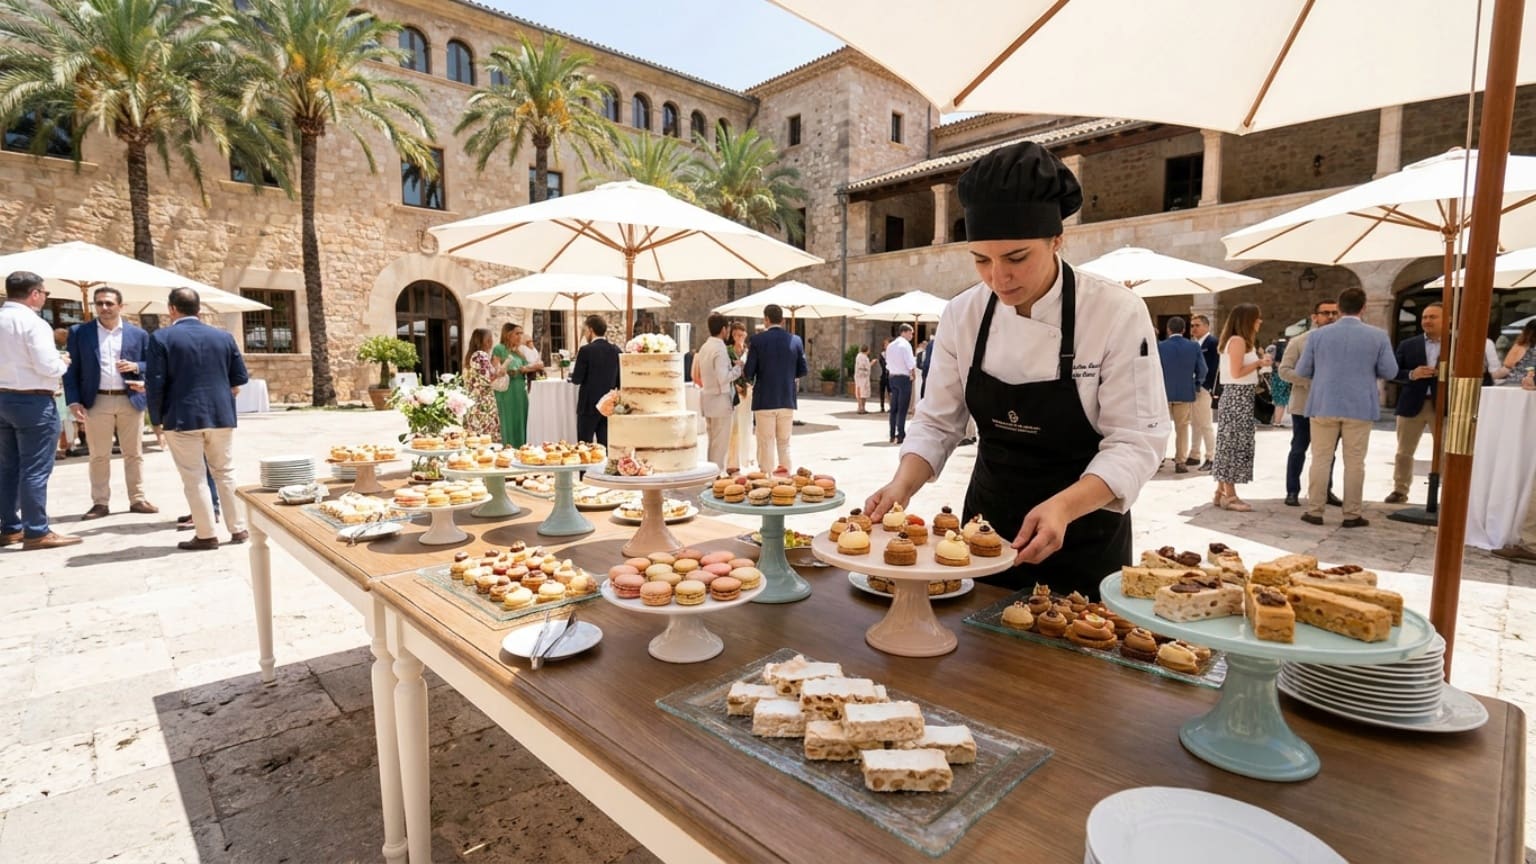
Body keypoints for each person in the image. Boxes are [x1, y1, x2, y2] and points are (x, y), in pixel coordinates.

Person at [865, 141, 1168, 598]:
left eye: (1016, 257)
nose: (997, 278)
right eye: (981, 260)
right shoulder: (963, 314)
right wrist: (901, 485)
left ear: (1056, 240)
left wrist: (1065, 507)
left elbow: (1136, 441)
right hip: (983, 529)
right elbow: (937, 421)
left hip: (1083, 529)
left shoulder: (1115, 312)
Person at [145, 287, 249, 550]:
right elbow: (239, 379)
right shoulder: (223, 337)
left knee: (195, 477)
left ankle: (206, 535)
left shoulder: (161, 338)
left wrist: (155, 420)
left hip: (182, 417)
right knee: (225, 472)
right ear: (199, 309)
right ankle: (238, 529)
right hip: (221, 415)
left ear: (171, 309)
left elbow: (155, 383)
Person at [1295, 286, 1398, 528]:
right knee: (1355, 462)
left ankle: (1315, 511)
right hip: (1360, 405)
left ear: (1339, 309)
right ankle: (1351, 514)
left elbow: (1301, 371)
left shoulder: (1318, 336)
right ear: (1364, 308)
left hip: (1323, 403)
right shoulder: (1378, 335)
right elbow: (1390, 371)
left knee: (1320, 458)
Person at [0, 270, 79, 549]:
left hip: (3, 398)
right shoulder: (34, 324)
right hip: (32, 400)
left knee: (8, 466)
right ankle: (36, 530)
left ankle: (9, 526)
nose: (45, 297)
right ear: (34, 293)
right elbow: (47, 366)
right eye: (44, 292)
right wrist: (64, 362)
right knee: (34, 468)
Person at [64, 286, 157, 519]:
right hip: (96, 400)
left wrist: (137, 367)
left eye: (108, 303)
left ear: (120, 306)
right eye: (99, 303)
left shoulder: (139, 334)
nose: (104, 308)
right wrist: (73, 400)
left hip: (130, 399)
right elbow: (71, 370)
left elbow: (153, 365)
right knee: (98, 454)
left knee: (134, 453)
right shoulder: (79, 332)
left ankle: (137, 499)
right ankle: (100, 503)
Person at [1277, 300, 1341, 508]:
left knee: (1328, 451)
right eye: (1325, 313)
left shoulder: (1344, 342)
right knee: (1299, 448)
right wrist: (1310, 382)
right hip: (1304, 404)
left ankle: (1325, 490)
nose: (1330, 317)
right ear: (1315, 317)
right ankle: (1292, 491)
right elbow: (1284, 370)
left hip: (1332, 405)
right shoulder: (1299, 341)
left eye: (1334, 313)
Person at [1211, 304, 1271, 511]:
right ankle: (1231, 496)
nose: (1260, 321)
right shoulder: (1236, 341)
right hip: (1237, 396)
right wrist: (1258, 363)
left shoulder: (1243, 342)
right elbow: (1236, 373)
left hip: (1241, 397)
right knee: (1233, 445)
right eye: (1257, 318)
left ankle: (1221, 492)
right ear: (1247, 320)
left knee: (1230, 443)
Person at [1386, 302, 1442, 505]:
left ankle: (1447, 490)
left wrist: (1446, 375)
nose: (1427, 321)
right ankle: (1400, 490)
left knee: (1445, 450)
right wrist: (1412, 374)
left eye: (1433, 317)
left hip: (1443, 405)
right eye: (1425, 317)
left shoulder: (1459, 344)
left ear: (1448, 320)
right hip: (1412, 404)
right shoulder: (1408, 345)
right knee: (1404, 451)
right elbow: (1391, 372)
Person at [743, 303, 808, 471]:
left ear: (766, 320)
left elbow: (749, 372)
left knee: (766, 442)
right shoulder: (796, 340)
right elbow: (803, 370)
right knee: (784, 443)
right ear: (783, 320)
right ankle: (786, 482)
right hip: (787, 397)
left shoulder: (757, 340)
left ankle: (767, 480)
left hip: (764, 399)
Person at [1157, 316, 1206, 474]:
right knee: (1183, 428)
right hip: (1185, 392)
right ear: (1184, 330)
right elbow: (1203, 369)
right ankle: (1180, 461)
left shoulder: (1160, 347)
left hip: (1163, 393)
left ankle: (1158, 460)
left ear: (1168, 330)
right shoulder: (1193, 346)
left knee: (1160, 428)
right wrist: (1197, 384)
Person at [696, 313, 742, 470]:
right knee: (720, 444)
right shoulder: (719, 349)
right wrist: (738, 368)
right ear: (724, 329)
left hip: (708, 398)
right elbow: (724, 377)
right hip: (720, 400)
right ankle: (716, 475)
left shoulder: (704, 347)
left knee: (713, 442)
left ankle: (710, 473)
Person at [570, 315, 620, 445]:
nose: (585, 333)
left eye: (585, 330)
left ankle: (585, 466)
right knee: (605, 444)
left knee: (584, 443)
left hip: (588, 404)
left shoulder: (586, 350)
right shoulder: (616, 350)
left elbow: (577, 379)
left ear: (591, 330)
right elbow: (619, 380)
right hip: (608, 403)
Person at [491, 323, 532, 447]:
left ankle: (522, 447)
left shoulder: (520, 352)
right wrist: (508, 370)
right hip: (506, 389)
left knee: (521, 418)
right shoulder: (499, 348)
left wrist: (529, 369)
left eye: (521, 333)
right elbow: (494, 371)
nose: (520, 336)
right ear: (508, 335)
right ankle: (508, 447)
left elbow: (527, 368)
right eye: (517, 333)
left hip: (520, 389)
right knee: (508, 418)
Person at [1188, 313, 1218, 470]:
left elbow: (1213, 367)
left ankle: (1211, 457)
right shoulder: (1195, 343)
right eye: (1192, 325)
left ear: (1207, 326)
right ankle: (1194, 454)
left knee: (1205, 423)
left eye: (1197, 325)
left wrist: (1206, 386)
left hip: (1204, 388)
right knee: (1195, 422)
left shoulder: (1212, 343)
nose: (1194, 328)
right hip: (1194, 388)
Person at [460, 328, 501, 441]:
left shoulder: (471, 356)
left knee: (473, 439)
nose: (492, 341)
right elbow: (485, 380)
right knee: (484, 439)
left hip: (473, 402)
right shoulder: (481, 355)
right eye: (491, 338)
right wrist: (499, 373)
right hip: (483, 404)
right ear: (486, 341)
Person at [725, 322, 752, 471]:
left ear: (745, 335)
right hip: (734, 391)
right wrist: (735, 385)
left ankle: (745, 458)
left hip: (748, 392)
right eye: (736, 335)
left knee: (746, 424)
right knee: (734, 427)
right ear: (732, 336)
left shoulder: (748, 351)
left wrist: (748, 383)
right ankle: (732, 461)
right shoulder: (728, 351)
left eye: (741, 335)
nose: (739, 338)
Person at [885, 323, 916, 443]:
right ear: (905, 332)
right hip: (903, 378)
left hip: (892, 377)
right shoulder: (905, 345)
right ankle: (901, 434)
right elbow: (910, 363)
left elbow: (888, 363)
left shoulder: (891, 345)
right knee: (902, 408)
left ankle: (892, 434)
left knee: (894, 408)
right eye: (911, 333)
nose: (912, 336)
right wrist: (913, 374)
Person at [1500, 319, 1536, 385]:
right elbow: (1507, 366)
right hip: (1518, 384)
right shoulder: (1519, 345)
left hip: (1516, 383)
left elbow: (1507, 367)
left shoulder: (1519, 345)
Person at [1267, 336, 1291, 427]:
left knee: (1278, 401)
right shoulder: (1283, 356)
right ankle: (1277, 422)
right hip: (1282, 378)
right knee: (1281, 402)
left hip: (1276, 378)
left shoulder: (1273, 352)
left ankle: (1276, 420)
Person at [853, 344, 872, 413]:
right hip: (861, 376)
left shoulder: (865, 357)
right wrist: (871, 364)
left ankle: (863, 407)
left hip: (865, 377)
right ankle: (860, 407)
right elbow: (862, 366)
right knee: (861, 392)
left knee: (865, 392)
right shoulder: (860, 356)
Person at [876, 338, 890, 412]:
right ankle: (882, 407)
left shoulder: (892, 354)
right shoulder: (882, 354)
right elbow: (882, 364)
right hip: (883, 374)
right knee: (882, 391)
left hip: (890, 375)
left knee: (890, 392)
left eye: (888, 344)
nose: (887, 345)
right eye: (886, 344)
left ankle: (891, 406)